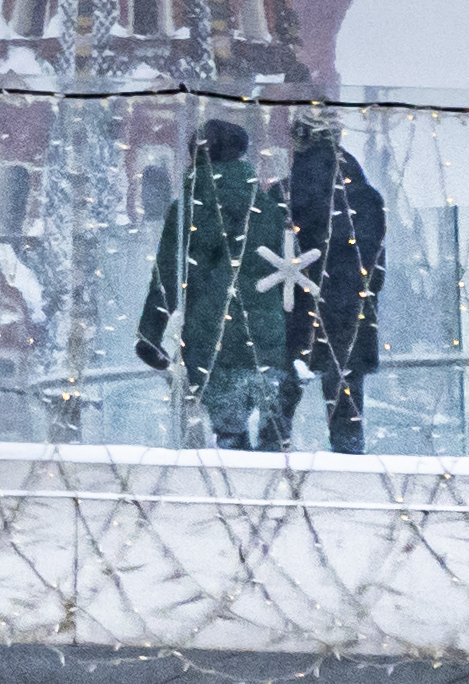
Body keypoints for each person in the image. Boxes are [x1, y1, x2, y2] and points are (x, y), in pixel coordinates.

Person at [140, 115, 302, 451]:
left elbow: (167, 277)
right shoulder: (268, 209)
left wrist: (149, 336)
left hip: (210, 341)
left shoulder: (187, 210)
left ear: (196, 159)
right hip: (266, 341)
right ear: (242, 158)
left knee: (230, 441)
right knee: (274, 445)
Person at [285, 115, 390, 454]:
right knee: (346, 408)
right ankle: (351, 466)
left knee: (281, 399)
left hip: (296, 310)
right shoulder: (367, 197)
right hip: (349, 312)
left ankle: (270, 465)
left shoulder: (286, 194)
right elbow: (377, 269)